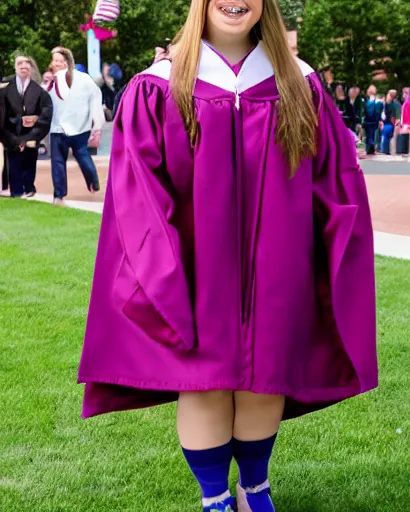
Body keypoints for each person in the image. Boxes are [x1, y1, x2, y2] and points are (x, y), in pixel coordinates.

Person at [78, 0, 377, 510]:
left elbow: (333, 181)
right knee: (205, 383)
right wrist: (165, 276)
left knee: (266, 379)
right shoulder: (160, 85)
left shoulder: (299, 84)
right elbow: (139, 194)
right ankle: (214, 496)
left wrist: (332, 256)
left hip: (280, 269)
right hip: (194, 272)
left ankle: (254, 487)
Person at [46, 47, 104, 206]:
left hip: (78, 127)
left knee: (82, 155)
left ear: (66, 62)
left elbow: (95, 101)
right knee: (59, 162)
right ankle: (59, 195)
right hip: (58, 128)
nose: (55, 63)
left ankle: (92, 180)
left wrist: (96, 124)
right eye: (54, 60)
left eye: (59, 60)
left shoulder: (81, 79)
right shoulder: (51, 81)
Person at [0, 55, 52, 197]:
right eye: (20, 63)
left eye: (27, 63)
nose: (24, 65)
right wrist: (11, 138)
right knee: (14, 164)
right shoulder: (4, 91)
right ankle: (16, 192)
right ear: (15, 67)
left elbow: (46, 115)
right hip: (11, 135)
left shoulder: (40, 92)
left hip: (31, 135)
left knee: (29, 164)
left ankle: (29, 188)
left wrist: (32, 134)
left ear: (31, 67)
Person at [362, 84, 382, 155]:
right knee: (372, 137)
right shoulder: (378, 101)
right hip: (374, 122)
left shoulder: (366, 101)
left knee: (368, 137)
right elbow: (379, 112)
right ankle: (371, 149)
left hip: (367, 122)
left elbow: (365, 112)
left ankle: (369, 149)